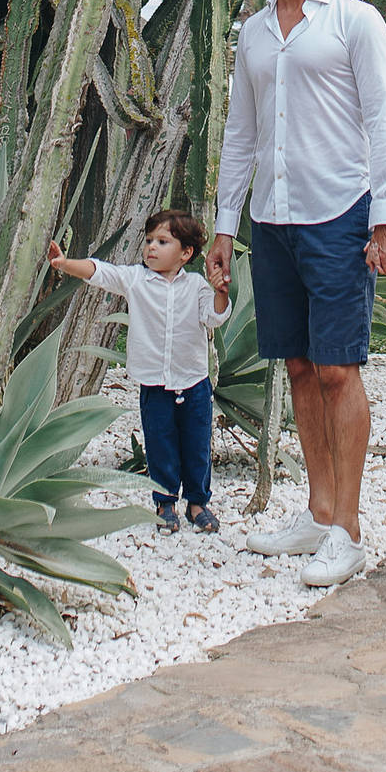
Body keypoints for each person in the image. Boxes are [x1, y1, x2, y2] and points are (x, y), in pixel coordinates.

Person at [209, 0, 386, 589]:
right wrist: (226, 224)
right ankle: (320, 513)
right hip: (274, 220)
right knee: (296, 367)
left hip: (340, 215)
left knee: (336, 370)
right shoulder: (255, 34)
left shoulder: (355, 22)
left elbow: (384, 120)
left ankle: (348, 532)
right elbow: (241, 134)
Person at [49, 206, 230, 534]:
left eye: (162, 241)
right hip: (154, 384)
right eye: (149, 240)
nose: (151, 247)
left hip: (194, 382)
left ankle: (197, 503)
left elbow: (214, 318)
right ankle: (164, 503)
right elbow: (100, 272)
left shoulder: (198, 288)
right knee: (159, 442)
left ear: (185, 253)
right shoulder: (135, 279)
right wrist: (65, 264)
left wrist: (220, 293)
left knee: (197, 444)